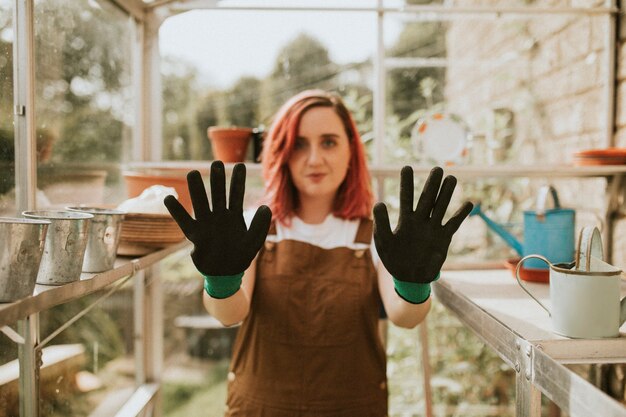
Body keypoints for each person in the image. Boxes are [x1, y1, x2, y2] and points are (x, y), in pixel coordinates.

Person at [164, 90, 473, 417]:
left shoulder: (375, 236)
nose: (314, 159)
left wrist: (414, 283)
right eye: (299, 143)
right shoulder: (253, 229)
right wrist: (221, 278)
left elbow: (404, 316)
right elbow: (229, 313)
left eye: (328, 142)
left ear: (351, 151)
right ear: (281, 152)